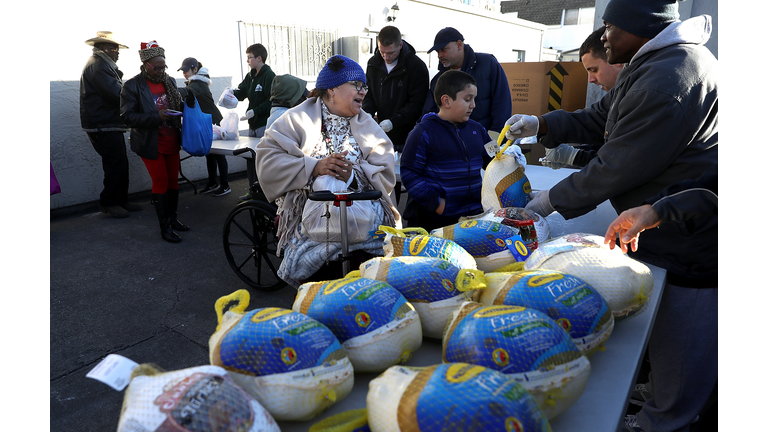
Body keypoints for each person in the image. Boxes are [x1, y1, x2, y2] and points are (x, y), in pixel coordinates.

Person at [504, 1, 718, 430]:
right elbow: (603, 118)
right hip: (654, 226)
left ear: (640, 26)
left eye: (610, 26)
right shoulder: (653, 62)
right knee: (658, 326)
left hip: (685, 232)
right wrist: (543, 125)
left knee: (680, 328)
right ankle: (660, 392)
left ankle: (667, 417)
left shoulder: (669, 79)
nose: (604, 36)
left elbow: (618, 163)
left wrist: (548, 202)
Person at [254, 55, 400, 287]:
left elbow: (385, 171)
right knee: (321, 280)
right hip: (311, 222)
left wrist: (352, 176)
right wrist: (314, 168)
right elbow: (267, 160)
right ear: (331, 90)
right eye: (356, 85)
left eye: (364, 86)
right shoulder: (296, 119)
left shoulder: (369, 125)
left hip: (363, 224)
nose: (363, 92)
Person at [401, 70, 493, 233]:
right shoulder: (424, 132)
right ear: (446, 101)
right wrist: (436, 203)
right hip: (437, 223)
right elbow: (409, 173)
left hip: (473, 219)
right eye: (467, 99)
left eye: (474, 99)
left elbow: (493, 161)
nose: (473, 105)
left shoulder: (478, 130)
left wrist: (509, 162)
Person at [120, 41, 189, 243]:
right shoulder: (132, 85)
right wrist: (156, 116)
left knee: (173, 181)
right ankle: (165, 228)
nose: (161, 71)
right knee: (160, 182)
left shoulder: (170, 81)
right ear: (145, 64)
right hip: (151, 142)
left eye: (163, 67)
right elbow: (127, 116)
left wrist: (188, 104)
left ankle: (173, 219)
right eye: (156, 67)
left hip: (172, 139)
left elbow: (175, 104)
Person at [362, 25, 429, 205]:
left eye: (390, 52)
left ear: (400, 45)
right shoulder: (373, 64)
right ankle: (390, 215)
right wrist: (367, 113)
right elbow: (369, 95)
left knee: (410, 179)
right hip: (383, 134)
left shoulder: (416, 66)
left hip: (409, 133)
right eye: (382, 52)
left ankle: (409, 218)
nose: (386, 56)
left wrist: (393, 121)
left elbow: (417, 104)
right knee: (386, 181)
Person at [542, 25, 625, 170]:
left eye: (594, 70)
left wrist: (574, 156)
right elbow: (593, 121)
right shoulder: (619, 94)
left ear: (616, 58)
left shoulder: (643, 94)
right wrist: (542, 124)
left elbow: (621, 163)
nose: (590, 80)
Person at [80, 31, 141, 218]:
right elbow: (116, 94)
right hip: (102, 124)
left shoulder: (102, 65)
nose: (117, 52)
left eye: (117, 48)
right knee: (115, 163)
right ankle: (109, 202)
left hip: (107, 124)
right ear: (101, 49)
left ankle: (121, 200)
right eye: (113, 48)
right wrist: (138, 98)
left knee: (120, 162)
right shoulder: (98, 66)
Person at [422, 27, 511, 136]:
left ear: (459, 45)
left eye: (444, 49)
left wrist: (494, 137)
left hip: (486, 140)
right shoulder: (438, 80)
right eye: (438, 51)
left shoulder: (488, 64)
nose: (440, 55)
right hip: (451, 145)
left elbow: (502, 103)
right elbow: (429, 115)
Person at [177, 57, 229, 197]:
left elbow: (185, 92)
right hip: (207, 122)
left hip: (215, 122)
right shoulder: (195, 82)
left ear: (195, 69)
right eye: (182, 71)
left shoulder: (198, 83)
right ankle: (213, 183)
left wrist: (168, 88)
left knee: (219, 155)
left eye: (186, 70)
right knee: (210, 154)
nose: (184, 73)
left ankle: (225, 185)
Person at [232, 43, 276, 201]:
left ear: (259, 58)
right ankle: (252, 191)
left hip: (263, 124)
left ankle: (265, 193)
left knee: (262, 159)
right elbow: (242, 92)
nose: (248, 61)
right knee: (250, 158)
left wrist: (255, 111)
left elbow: (271, 101)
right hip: (252, 123)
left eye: (249, 58)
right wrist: (231, 94)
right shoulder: (250, 75)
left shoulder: (269, 75)